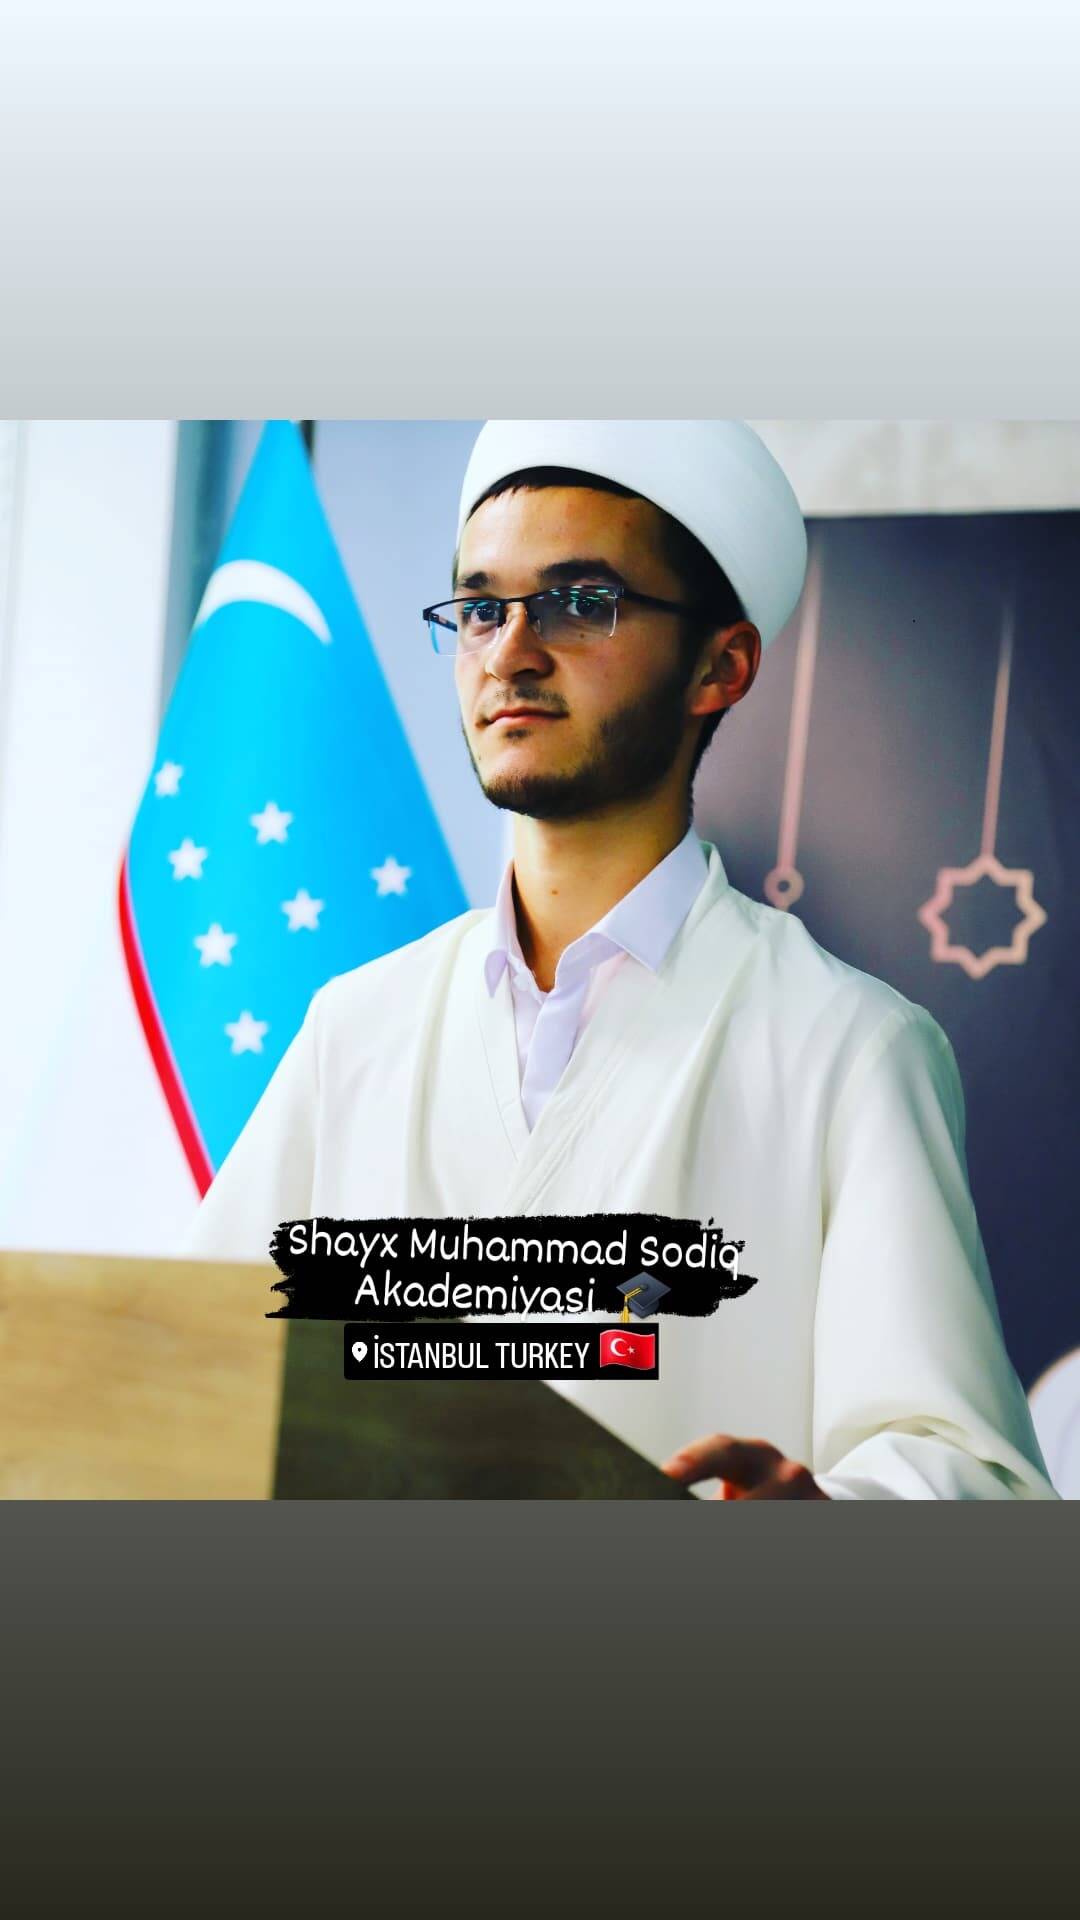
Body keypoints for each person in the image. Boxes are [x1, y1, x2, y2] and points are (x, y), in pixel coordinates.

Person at [181, 419, 1057, 1502]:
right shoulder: (356, 1027)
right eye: (482, 607)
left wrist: (827, 1518)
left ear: (721, 666)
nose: (510, 651)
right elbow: (185, 1379)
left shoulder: (847, 1049)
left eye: (578, 601)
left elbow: (968, 1473)